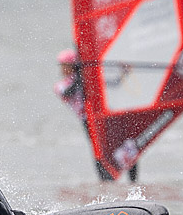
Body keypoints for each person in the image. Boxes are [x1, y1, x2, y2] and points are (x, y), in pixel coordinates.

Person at [55, 49, 138, 182]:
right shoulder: (61, 86)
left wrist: (124, 72)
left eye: (66, 65)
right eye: (62, 66)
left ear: (73, 66)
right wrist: (82, 73)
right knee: (99, 151)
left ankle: (133, 182)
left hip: (104, 117)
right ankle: (105, 182)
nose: (63, 69)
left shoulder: (88, 78)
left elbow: (112, 83)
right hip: (88, 121)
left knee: (128, 145)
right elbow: (70, 91)